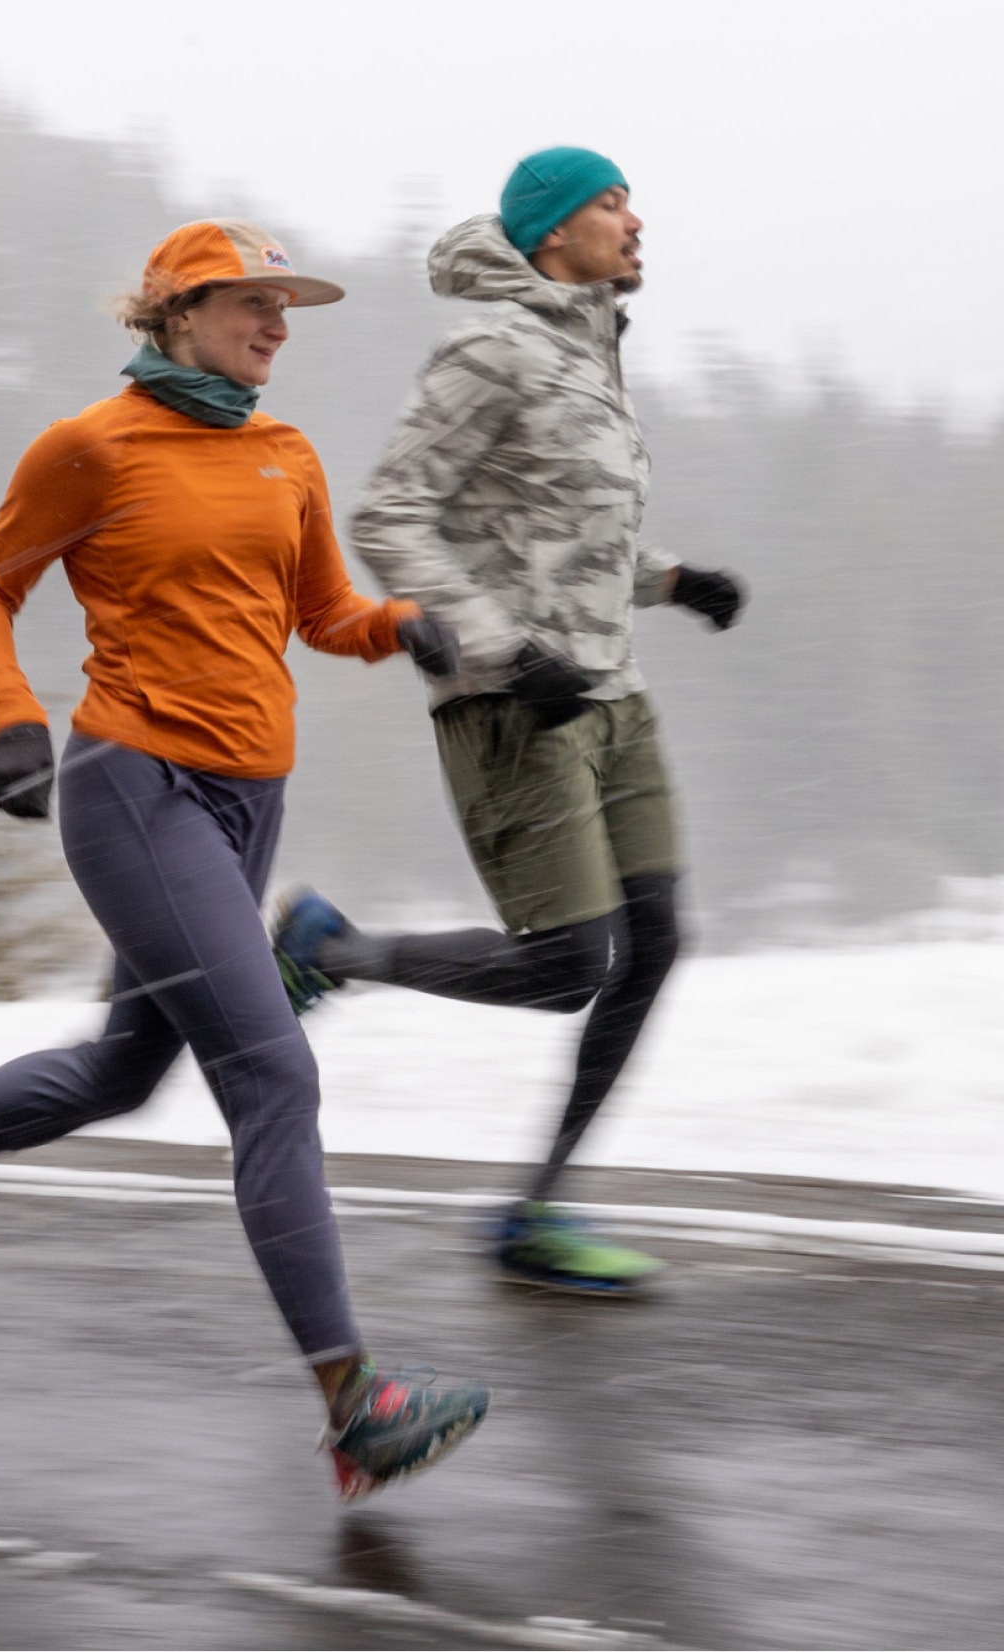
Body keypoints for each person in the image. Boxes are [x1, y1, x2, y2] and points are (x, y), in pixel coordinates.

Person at [0, 219, 487, 1500]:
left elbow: (317, 613)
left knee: (123, 1070)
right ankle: (354, 1403)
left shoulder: (283, 450)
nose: (277, 325)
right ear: (178, 314)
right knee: (269, 1070)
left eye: (285, 306)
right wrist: (14, 719)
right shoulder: (91, 448)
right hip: (136, 785)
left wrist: (399, 622)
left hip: (250, 798)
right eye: (253, 303)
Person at [272, 150, 746, 1296]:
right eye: (609, 202)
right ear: (549, 234)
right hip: (511, 705)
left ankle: (537, 1209)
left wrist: (671, 580)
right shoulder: (490, 346)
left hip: (609, 696)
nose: (634, 219)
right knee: (568, 965)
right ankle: (325, 951)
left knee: (656, 939)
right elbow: (390, 513)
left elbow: (555, 529)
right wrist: (495, 645)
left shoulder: (587, 348)